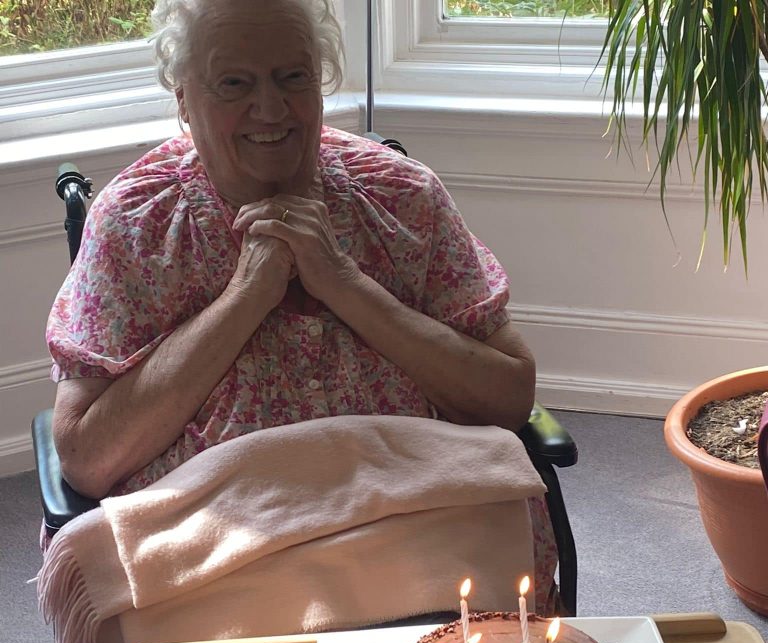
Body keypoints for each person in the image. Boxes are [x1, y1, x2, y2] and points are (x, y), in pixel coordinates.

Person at [46, 0, 555, 610]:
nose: (270, 108)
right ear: (183, 97)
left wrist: (342, 281)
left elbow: (508, 395)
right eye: (235, 82)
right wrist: (247, 295)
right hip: (219, 559)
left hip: (417, 535)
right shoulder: (134, 224)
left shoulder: (400, 196)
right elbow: (86, 458)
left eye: (293, 76)